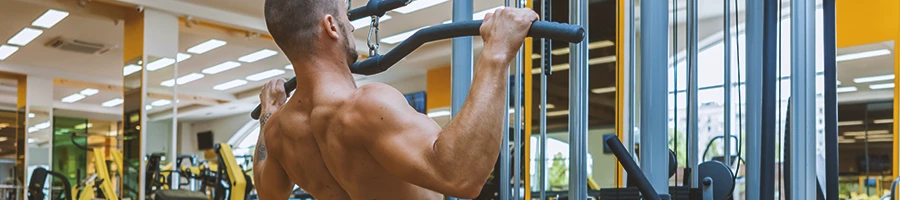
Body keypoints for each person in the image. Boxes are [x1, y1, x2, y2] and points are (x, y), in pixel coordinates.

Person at [254, 0, 538, 199]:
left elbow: (269, 194)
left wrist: (268, 113)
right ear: (331, 26)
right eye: (346, 15)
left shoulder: (277, 130)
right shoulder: (365, 106)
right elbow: (461, 177)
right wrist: (497, 52)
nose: (351, 27)